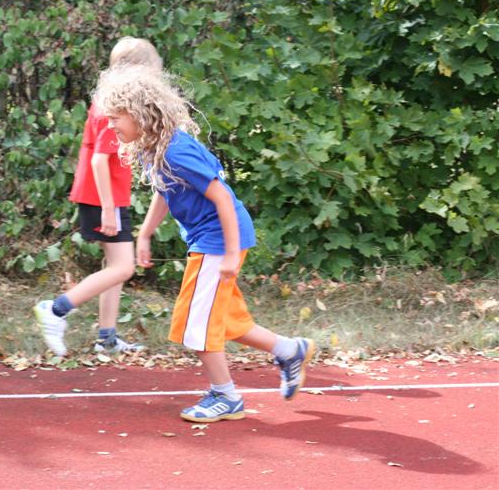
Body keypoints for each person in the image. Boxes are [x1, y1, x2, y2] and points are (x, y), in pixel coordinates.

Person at [92, 64, 315, 422]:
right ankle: (290, 350)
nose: (111, 124)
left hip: (218, 240)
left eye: (116, 117)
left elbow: (222, 197)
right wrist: (145, 233)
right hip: (208, 239)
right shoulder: (153, 147)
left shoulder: (175, 151)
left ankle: (225, 396)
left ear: (140, 113)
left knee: (196, 323)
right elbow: (165, 191)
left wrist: (230, 253)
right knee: (225, 319)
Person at [34, 37, 163, 356]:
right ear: (135, 72)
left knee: (115, 267)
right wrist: (107, 208)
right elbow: (98, 160)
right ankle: (56, 310)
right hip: (102, 198)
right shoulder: (112, 106)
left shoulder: (112, 101)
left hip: (109, 197)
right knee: (123, 268)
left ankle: (106, 338)